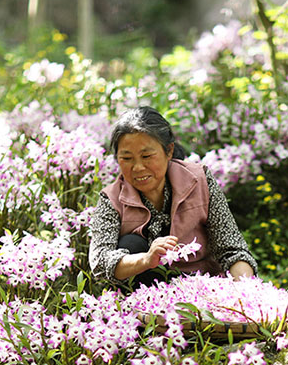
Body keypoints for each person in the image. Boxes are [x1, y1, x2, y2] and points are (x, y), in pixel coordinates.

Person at [89, 106, 257, 286]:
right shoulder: (111, 198)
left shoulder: (200, 180)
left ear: (168, 151)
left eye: (146, 156)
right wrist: (146, 259)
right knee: (131, 243)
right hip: (148, 295)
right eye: (127, 158)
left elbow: (232, 249)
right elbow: (100, 261)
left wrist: (245, 293)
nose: (137, 167)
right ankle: (144, 314)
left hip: (203, 286)